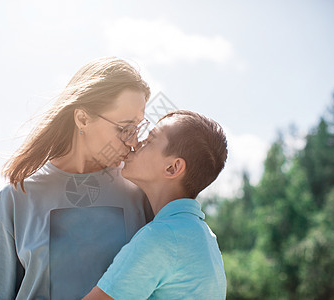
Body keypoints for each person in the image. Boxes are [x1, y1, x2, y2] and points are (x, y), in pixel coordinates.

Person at [0, 57, 153, 299]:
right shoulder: (17, 199)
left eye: (138, 128)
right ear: (82, 118)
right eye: (125, 128)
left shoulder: (141, 193)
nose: (133, 140)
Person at [83, 110, 228, 300]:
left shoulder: (161, 238)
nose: (135, 142)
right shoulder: (205, 237)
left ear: (172, 168)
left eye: (150, 140)